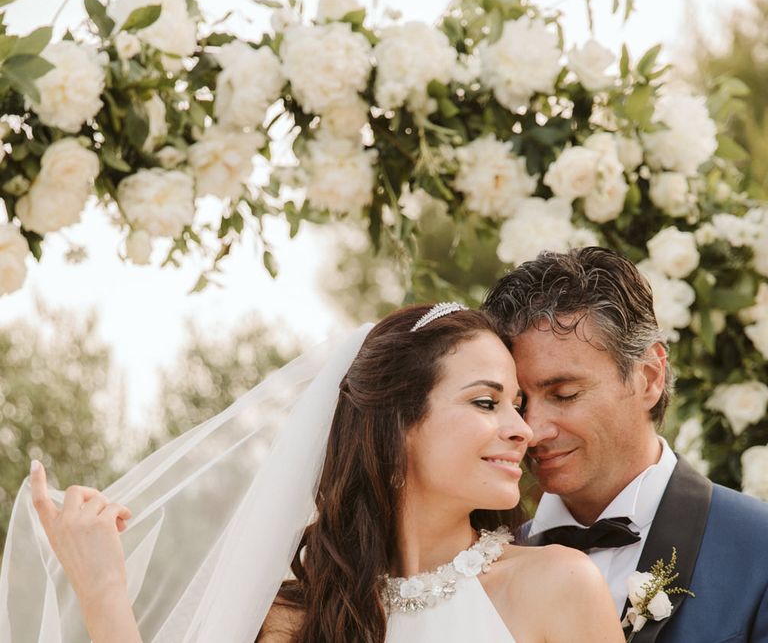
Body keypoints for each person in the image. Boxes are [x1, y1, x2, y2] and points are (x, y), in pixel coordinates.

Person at [3, 304, 623, 643]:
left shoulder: (557, 587)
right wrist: (105, 595)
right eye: (488, 402)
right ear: (397, 423)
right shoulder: (294, 618)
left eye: (517, 405)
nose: (523, 428)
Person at [483, 246, 768, 643]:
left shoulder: (759, 548)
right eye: (517, 403)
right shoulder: (483, 564)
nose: (532, 429)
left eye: (564, 394)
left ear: (649, 377)